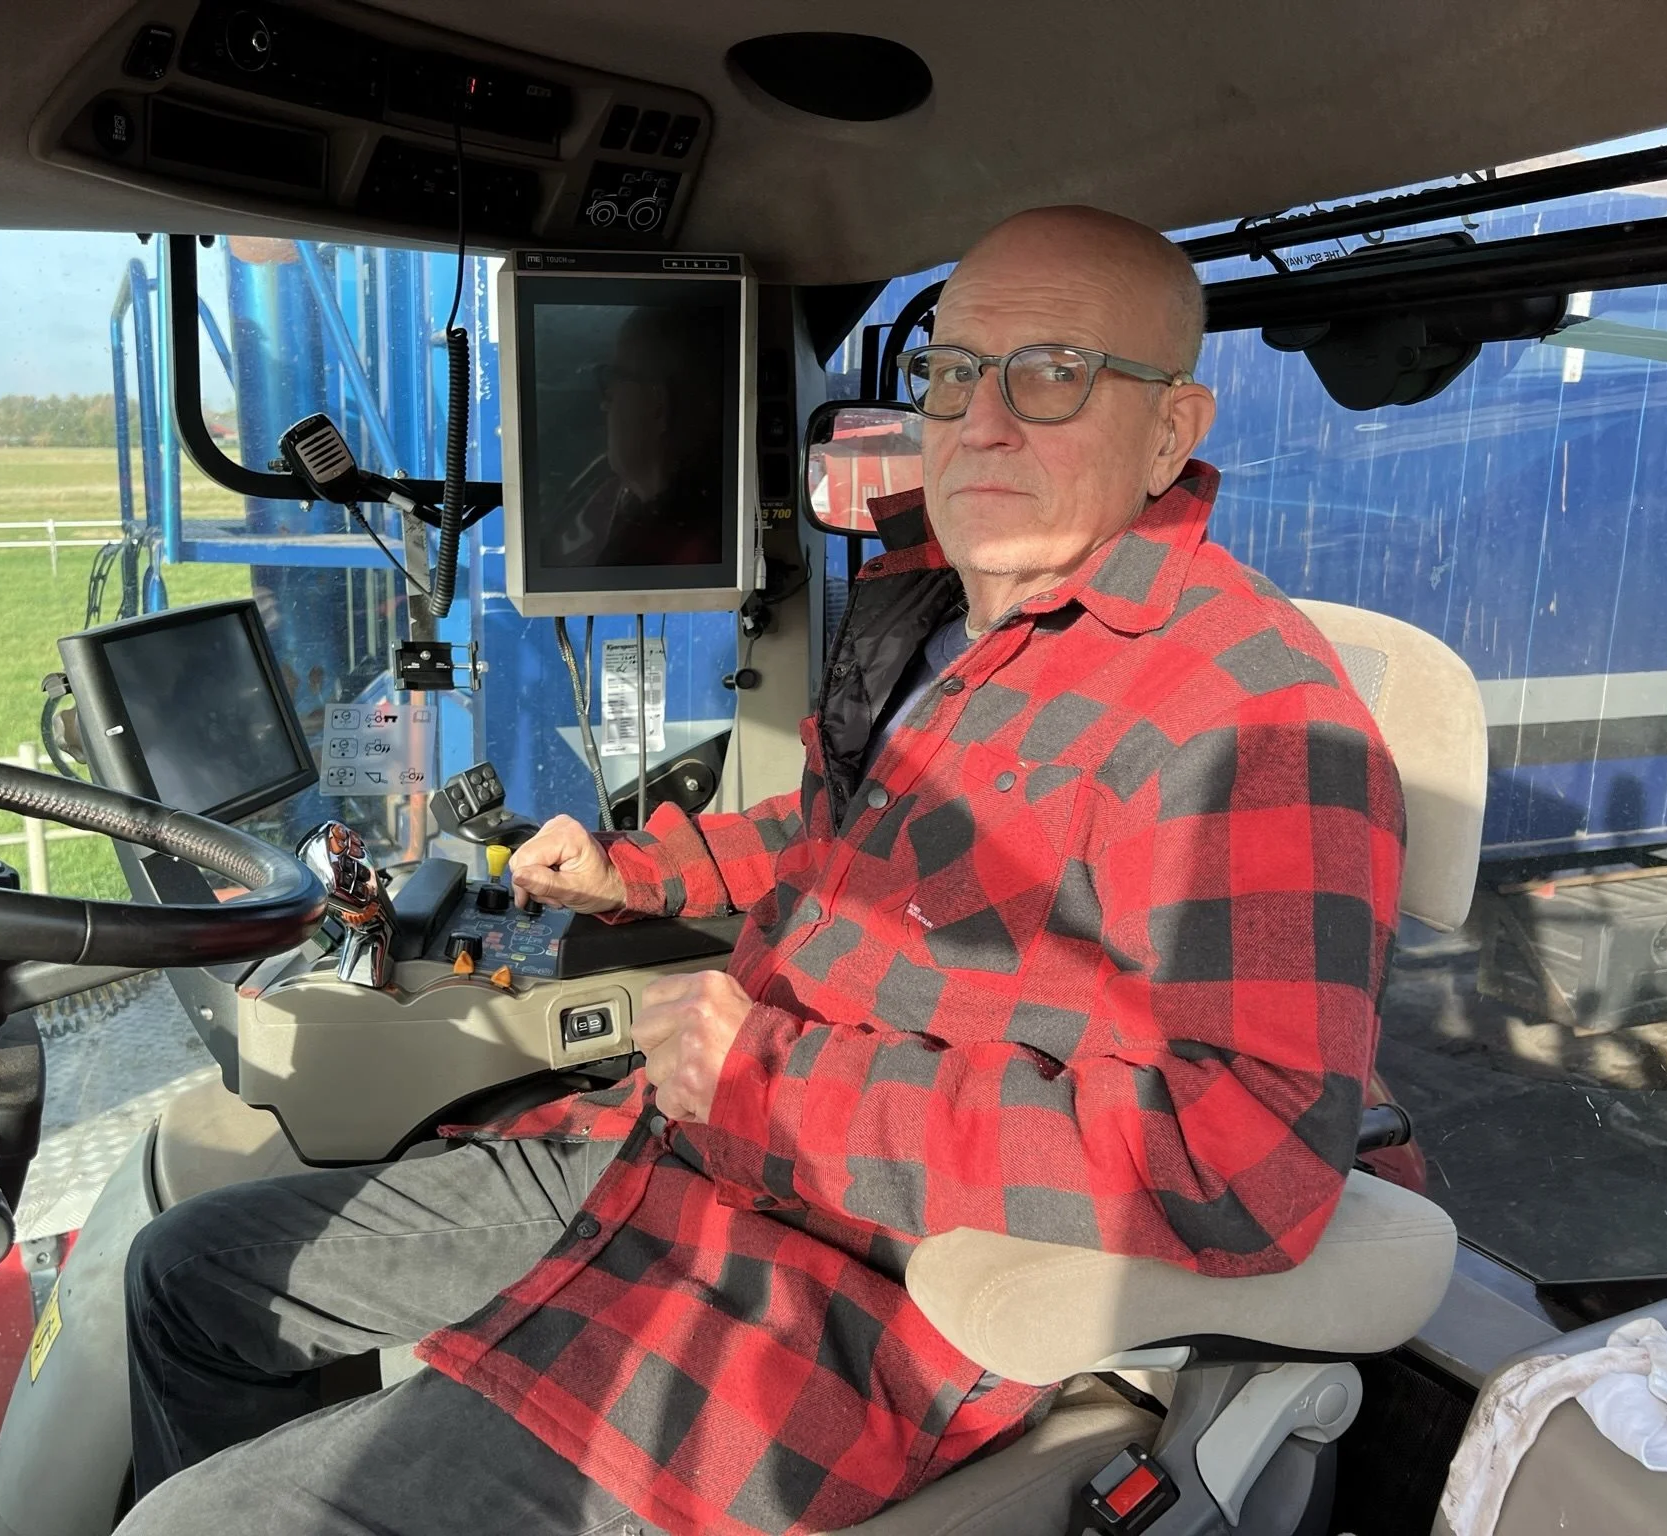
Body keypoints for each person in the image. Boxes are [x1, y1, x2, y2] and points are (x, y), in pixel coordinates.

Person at [118, 205, 1405, 1536]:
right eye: (953, 374)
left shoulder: (1252, 721)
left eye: (1053, 374)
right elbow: (838, 841)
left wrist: (779, 1083)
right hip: (674, 1151)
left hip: (835, 1288)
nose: (983, 423)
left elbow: (1244, 1164)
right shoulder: (938, 616)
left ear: (1170, 432)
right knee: (190, 1272)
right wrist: (630, 870)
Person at [541, 303, 727, 569]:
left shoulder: (682, 554)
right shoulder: (604, 478)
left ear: (657, 405)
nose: (605, 403)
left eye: (614, 379)